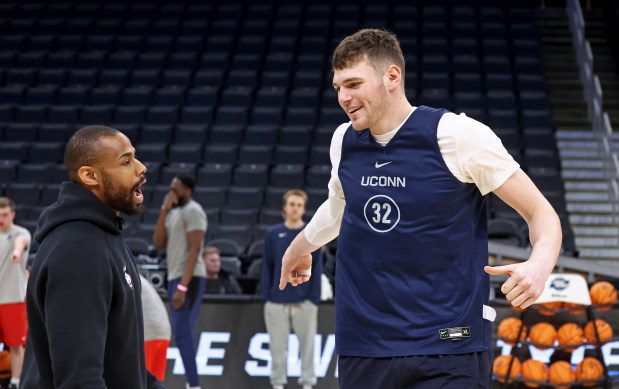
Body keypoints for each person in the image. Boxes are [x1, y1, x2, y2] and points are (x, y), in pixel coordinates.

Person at [278, 29, 562, 388]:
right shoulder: (343, 140)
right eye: (338, 87)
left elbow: (541, 213)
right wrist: (299, 248)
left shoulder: (458, 135)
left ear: (392, 77)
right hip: (365, 344)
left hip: (449, 347)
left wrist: (539, 265)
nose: (343, 98)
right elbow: (338, 208)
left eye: (353, 84)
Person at [21, 125, 163, 388]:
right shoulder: (80, 249)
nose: (141, 168)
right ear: (89, 175)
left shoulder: (105, 236)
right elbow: (80, 378)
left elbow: (122, 364)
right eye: (127, 161)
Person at [262, 189, 322, 389]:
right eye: (292, 204)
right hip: (276, 302)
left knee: (307, 348)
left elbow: (318, 268)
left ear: (304, 209)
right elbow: (267, 266)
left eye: (299, 205)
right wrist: (267, 297)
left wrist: (313, 299)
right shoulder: (272, 234)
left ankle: (307, 384)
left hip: (304, 301)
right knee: (277, 348)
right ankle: (278, 384)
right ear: (285, 208)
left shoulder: (312, 233)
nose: (295, 208)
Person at [153, 174, 207, 389]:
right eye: (171, 188)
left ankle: (193, 385)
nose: (172, 192)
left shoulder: (194, 211)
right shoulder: (174, 213)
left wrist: (183, 286)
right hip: (176, 275)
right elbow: (158, 243)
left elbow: (195, 248)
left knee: (183, 336)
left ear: (188, 191)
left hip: (190, 278)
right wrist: (164, 209)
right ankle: (192, 383)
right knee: (182, 335)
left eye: (176, 189)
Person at [0, 197, 30, 389]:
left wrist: (17, 252)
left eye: (4, 215)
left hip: (13, 299)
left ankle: (16, 382)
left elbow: (22, 242)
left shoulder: (20, 233)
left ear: (12, 214)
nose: (1, 219)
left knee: (17, 345)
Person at [140, 274, 171, 382]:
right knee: (155, 382)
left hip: (148, 332)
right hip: (164, 332)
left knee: (140, 381)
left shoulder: (125, 275)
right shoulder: (138, 278)